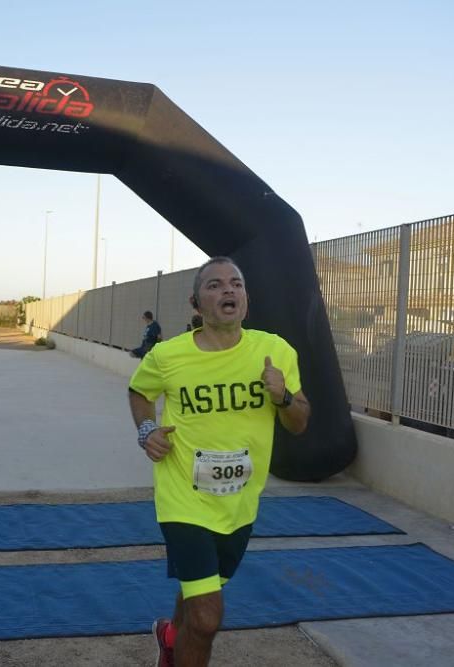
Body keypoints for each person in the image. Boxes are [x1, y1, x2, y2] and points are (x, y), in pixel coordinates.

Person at [127, 257, 310, 667]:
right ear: (196, 302)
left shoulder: (275, 351)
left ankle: (170, 636)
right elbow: (139, 392)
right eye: (214, 285)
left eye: (236, 284)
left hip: (240, 504)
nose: (228, 290)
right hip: (182, 499)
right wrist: (146, 432)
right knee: (208, 618)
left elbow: (299, 423)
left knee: (201, 591)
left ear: (246, 298)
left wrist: (282, 396)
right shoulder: (168, 356)